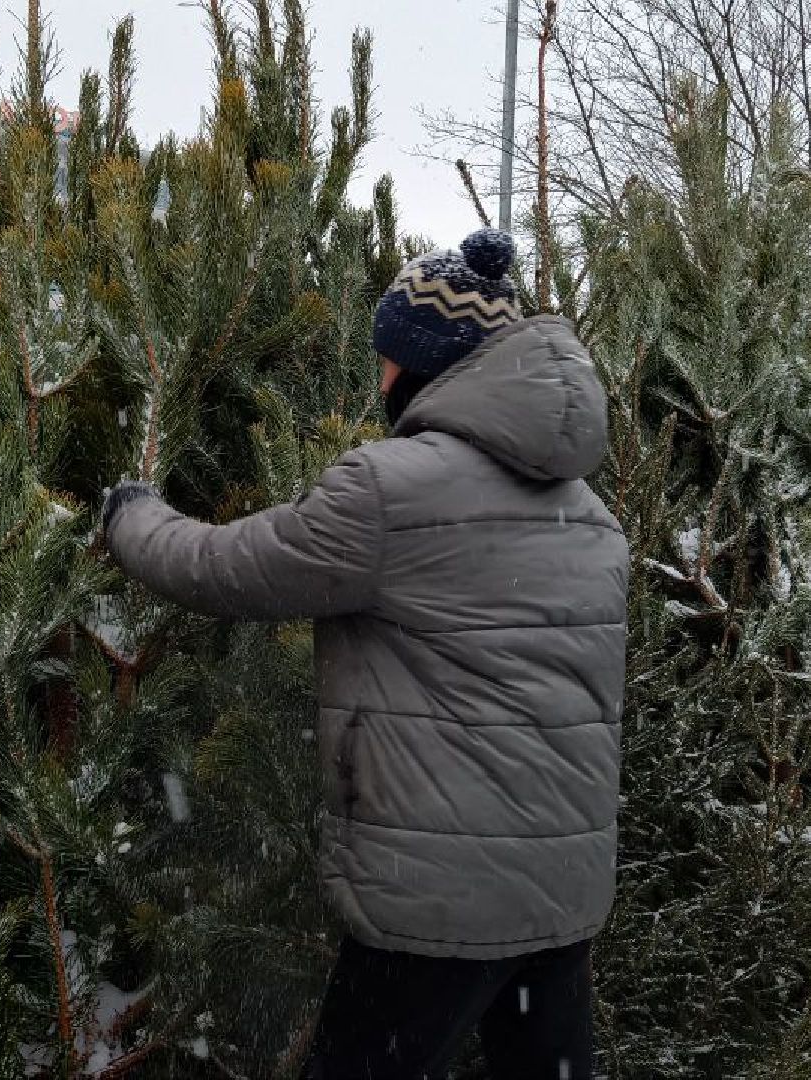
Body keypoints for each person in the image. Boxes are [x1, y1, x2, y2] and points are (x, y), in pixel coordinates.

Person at [101, 228, 628, 1079]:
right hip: (562, 894)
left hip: (439, 896)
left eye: (386, 356)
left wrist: (130, 515)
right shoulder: (590, 514)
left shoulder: (390, 490)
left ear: (424, 360)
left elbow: (225, 568)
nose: (379, 377)